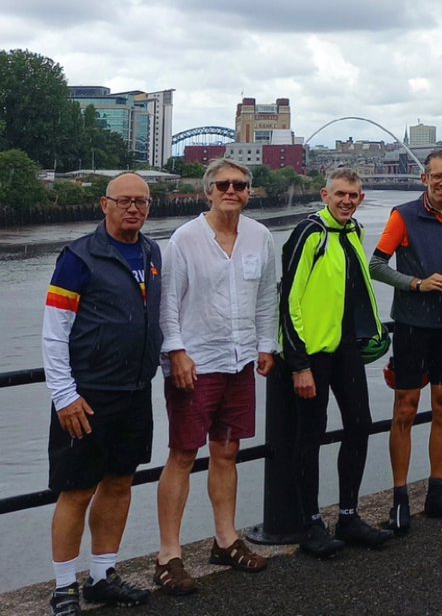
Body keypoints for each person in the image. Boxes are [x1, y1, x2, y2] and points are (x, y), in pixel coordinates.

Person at [155, 160, 276, 595]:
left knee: (227, 451)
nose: (231, 190)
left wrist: (266, 345)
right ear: (208, 191)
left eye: (239, 185)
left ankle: (225, 539)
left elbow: (266, 298)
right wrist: (177, 351)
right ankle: (168, 554)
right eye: (223, 184)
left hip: (240, 360)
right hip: (196, 363)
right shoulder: (185, 239)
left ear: (249, 191)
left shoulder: (260, 238)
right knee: (183, 454)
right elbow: (168, 303)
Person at [43, 173, 162, 614]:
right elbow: (55, 333)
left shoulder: (151, 252)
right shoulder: (78, 257)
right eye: (124, 201)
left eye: (142, 202)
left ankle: (102, 574)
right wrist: (64, 395)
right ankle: (63, 587)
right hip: (87, 394)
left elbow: (156, 318)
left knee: (120, 482)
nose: (134, 209)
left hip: (134, 390)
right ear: (104, 204)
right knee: (76, 490)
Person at [279, 168, 392, 557]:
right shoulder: (310, 233)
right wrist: (298, 363)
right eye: (340, 194)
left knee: (360, 424)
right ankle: (310, 523)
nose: (347, 200)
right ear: (325, 194)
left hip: (347, 348)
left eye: (354, 195)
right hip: (313, 353)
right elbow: (289, 299)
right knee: (310, 434)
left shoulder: (354, 231)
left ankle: (349, 514)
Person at [370, 150, 442, 534]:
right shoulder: (403, 215)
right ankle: (400, 497)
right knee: (406, 408)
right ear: (425, 179)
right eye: (437, 176)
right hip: (413, 324)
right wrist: (417, 283)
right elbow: (376, 265)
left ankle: (437, 490)